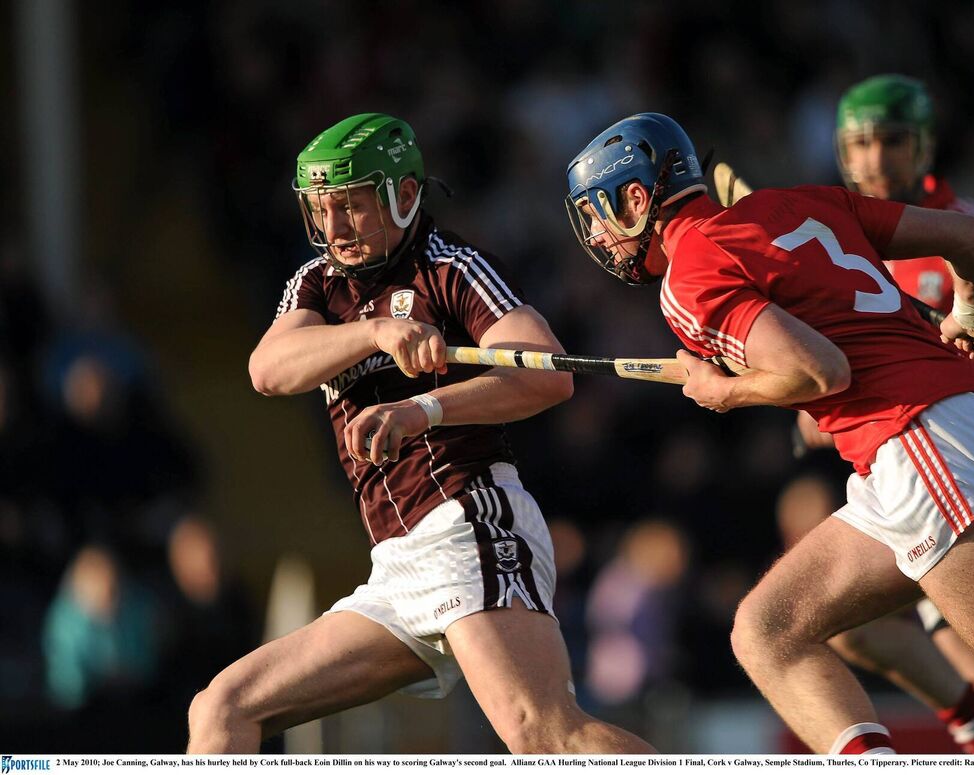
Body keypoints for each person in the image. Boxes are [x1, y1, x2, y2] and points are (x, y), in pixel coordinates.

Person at [563, 111, 974, 755]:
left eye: (596, 214)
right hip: (925, 440)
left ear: (636, 198)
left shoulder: (688, 276)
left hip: (923, 441)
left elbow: (820, 370)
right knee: (768, 629)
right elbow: (969, 238)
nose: (596, 233)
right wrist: (969, 314)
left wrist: (724, 389)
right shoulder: (799, 201)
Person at [187, 113, 654, 754]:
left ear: (405, 197)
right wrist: (375, 334)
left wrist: (422, 410)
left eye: (352, 207)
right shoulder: (317, 283)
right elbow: (268, 370)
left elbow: (547, 373)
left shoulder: (449, 268)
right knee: (223, 709)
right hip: (398, 561)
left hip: (469, 520)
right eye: (323, 210)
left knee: (544, 733)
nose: (334, 229)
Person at [726, 75, 974, 753]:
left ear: (925, 145)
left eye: (893, 141)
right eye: (860, 144)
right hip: (895, 468)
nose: (875, 160)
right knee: (829, 623)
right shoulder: (842, 245)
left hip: (960, 465)